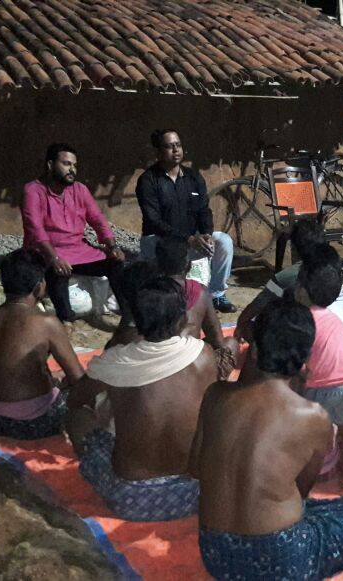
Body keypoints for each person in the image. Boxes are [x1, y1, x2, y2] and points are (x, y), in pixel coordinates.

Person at [191, 298, 343, 581]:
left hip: (215, 554)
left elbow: (196, 468)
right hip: (283, 562)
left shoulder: (215, 395)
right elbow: (302, 492)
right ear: (308, 359)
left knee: (321, 511)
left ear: (255, 351)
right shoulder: (313, 416)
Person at [66, 277, 217, 521]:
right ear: (182, 318)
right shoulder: (203, 355)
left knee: (78, 417)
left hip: (132, 499)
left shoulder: (114, 361)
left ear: (134, 319)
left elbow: (75, 400)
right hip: (196, 492)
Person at [0, 249, 84, 439]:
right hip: (32, 423)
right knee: (84, 396)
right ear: (39, 287)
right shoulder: (47, 322)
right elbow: (78, 378)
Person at [21, 143, 125, 323]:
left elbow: (98, 219)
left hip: (78, 250)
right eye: (67, 164)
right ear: (50, 165)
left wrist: (112, 245)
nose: (72, 170)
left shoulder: (80, 189)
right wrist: (54, 258)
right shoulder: (32, 190)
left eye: (74, 165)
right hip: (45, 252)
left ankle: (129, 316)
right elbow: (35, 229)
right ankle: (66, 321)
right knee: (58, 272)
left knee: (115, 264)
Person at [135, 129, 236, 313]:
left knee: (224, 241)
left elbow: (204, 209)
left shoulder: (193, 177)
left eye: (178, 145)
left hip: (192, 239)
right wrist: (188, 239)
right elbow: (153, 220)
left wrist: (206, 234)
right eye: (169, 146)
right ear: (157, 152)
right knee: (167, 253)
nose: (176, 150)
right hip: (160, 240)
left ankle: (217, 295)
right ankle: (173, 298)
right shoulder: (148, 181)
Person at [296, 255, 343, 492]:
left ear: (302, 292)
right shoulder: (334, 318)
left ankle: (304, 485)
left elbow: (300, 363)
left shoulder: (304, 320)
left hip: (323, 386)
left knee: (309, 433)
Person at [155, 236, 237, 380]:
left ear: (156, 263)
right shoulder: (200, 292)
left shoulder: (145, 291)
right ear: (188, 265)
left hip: (156, 364)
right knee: (231, 343)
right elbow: (218, 342)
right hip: (188, 366)